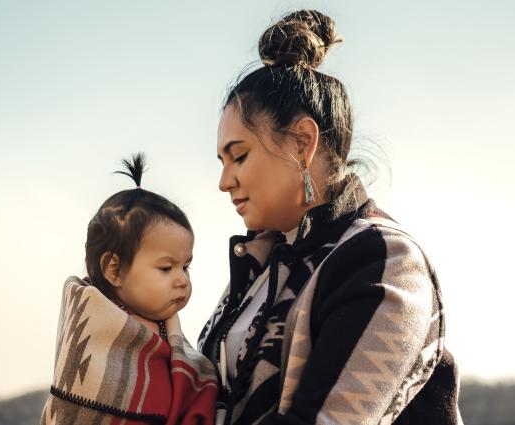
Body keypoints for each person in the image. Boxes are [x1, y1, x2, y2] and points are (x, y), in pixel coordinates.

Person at [197, 10, 463, 425]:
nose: (224, 181)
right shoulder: (261, 266)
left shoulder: (385, 261)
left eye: (239, 156)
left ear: (303, 142)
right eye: (221, 161)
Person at [41, 153, 218, 425]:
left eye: (186, 267)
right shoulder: (95, 334)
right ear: (114, 269)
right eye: (166, 268)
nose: (182, 279)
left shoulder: (170, 336)